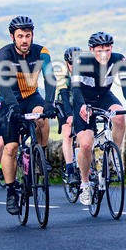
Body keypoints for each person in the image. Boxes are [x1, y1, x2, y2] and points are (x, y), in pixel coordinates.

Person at [0, 16, 57, 215]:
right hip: (10, 101)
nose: (24, 40)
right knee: (11, 148)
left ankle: (41, 156)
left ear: (32, 36)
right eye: (20, 36)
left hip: (31, 97)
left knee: (41, 117)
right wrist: (13, 107)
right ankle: (11, 191)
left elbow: (49, 77)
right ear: (13, 36)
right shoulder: (5, 53)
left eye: (27, 36)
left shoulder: (41, 52)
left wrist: (49, 103)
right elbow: (3, 83)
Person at [70, 32, 126, 205]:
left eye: (108, 50)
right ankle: (85, 184)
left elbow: (125, 84)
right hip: (83, 102)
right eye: (100, 50)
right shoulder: (82, 61)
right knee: (85, 144)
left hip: (104, 97)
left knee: (120, 117)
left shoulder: (118, 60)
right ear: (91, 50)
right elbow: (76, 88)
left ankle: (114, 154)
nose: (104, 54)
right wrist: (83, 106)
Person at [55, 46, 82, 186]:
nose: (74, 66)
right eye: (71, 63)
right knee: (68, 133)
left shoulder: (85, 74)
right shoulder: (62, 75)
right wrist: (69, 116)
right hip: (64, 104)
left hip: (79, 104)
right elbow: (65, 98)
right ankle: (70, 170)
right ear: (67, 63)